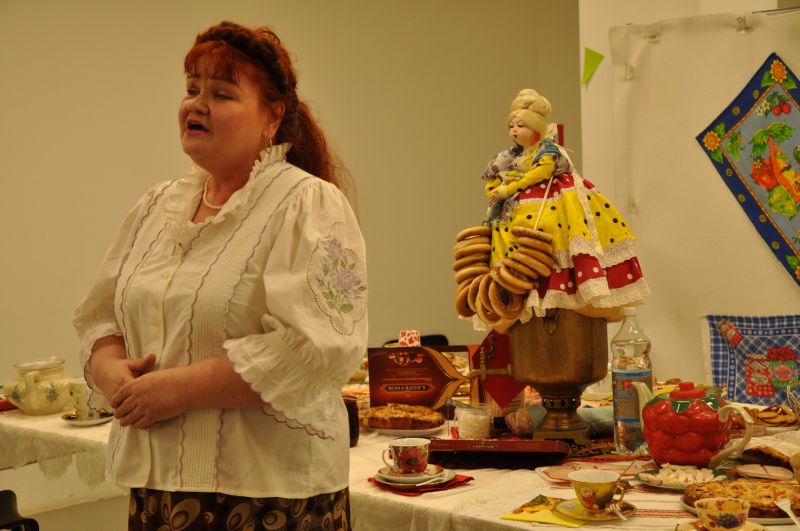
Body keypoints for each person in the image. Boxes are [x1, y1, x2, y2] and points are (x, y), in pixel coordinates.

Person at [73, 21, 367, 531]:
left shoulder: (307, 204)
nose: (197, 105)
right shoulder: (156, 207)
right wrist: (112, 372)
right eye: (192, 89)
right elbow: (101, 318)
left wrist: (178, 390)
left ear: (273, 116)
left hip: (269, 497)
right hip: (159, 488)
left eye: (222, 94)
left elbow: (315, 349)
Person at [481, 88, 649, 321]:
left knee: (557, 229)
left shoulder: (547, 151)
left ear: (536, 128)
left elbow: (541, 172)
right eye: (511, 126)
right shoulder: (509, 157)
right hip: (515, 206)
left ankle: (565, 285)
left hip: (552, 198)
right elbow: (492, 178)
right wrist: (497, 189)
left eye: (520, 125)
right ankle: (517, 286)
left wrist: (508, 189)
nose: (514, 130)